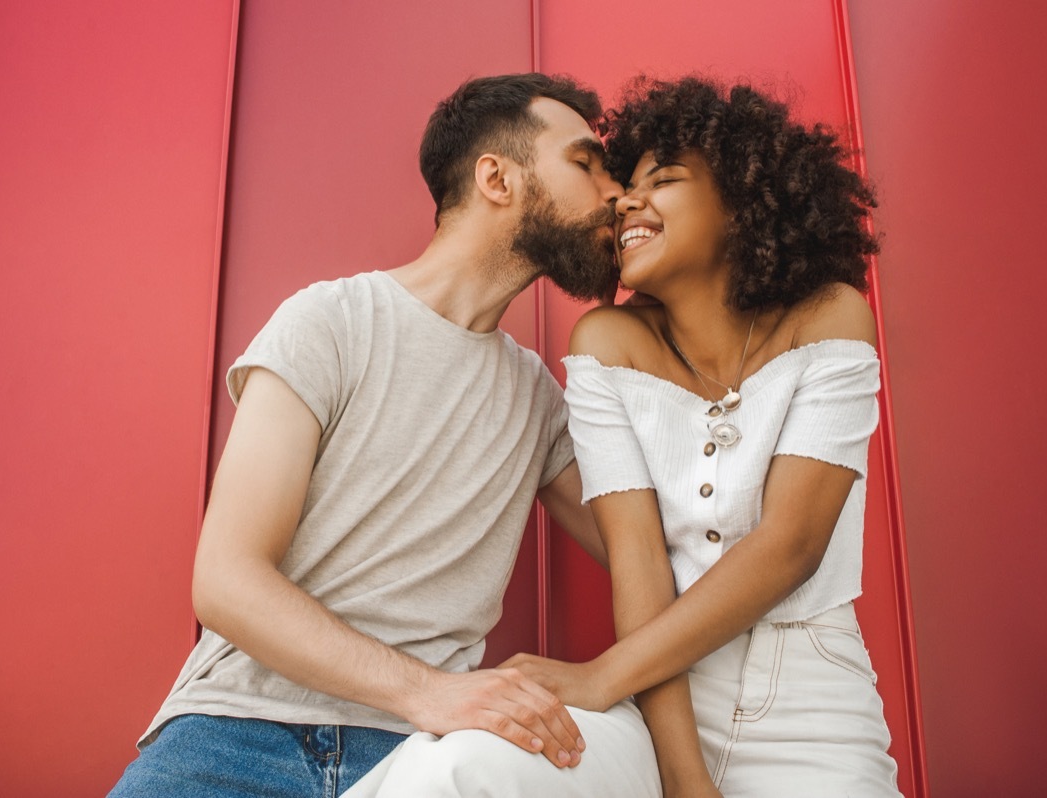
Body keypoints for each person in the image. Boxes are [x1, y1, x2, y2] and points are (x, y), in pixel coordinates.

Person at [346, 76, 902, 798]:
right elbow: (638, 561)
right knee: (452, 773)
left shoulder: (831, 316)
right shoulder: (605, 343)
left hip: (812, 694)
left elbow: (791, 545)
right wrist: (682, 777)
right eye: (620, 182)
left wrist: (600, 675)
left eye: (662, 180)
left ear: (745, 202)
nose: (625, 201)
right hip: (659, 694)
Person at [108, 73, 659, 798]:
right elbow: (227, 582)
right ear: (496, 176)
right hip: (234, 736)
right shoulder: (330, 321)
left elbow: (658, 552)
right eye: (586, 164)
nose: (614, 194)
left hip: (416, 765)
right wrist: (434, 693)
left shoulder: (540, 401)